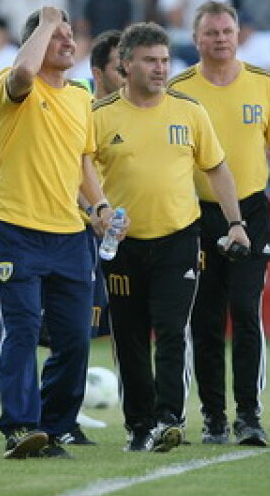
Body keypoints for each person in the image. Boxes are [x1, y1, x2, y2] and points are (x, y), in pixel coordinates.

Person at [0, 29, 125, 437]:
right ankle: (20, 425)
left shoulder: (80, 97)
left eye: (72, 36)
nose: (69, 42)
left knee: (74, 338)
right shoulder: (13, 84)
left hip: (70, 231)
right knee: (21, 328)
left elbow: (83, 163)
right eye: (58, 36)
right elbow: (22, 72)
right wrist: (47, 18)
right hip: (16, 226)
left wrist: (99, 206)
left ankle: (58, 425)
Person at [93, 23, 249, 453]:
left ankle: (168, 419)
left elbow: (216, 167)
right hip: (123, 245)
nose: (160, 69)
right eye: (150, 60)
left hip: (179, 239)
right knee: (128, 336)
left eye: (164, 60)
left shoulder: (189, 111)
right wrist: (95, 214)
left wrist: (236, 222)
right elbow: (78, 174)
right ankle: (137, 425)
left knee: (171, 329)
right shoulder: (101, 117)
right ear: (126, 65)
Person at [169, 1, 270, 448]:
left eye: (227, 30)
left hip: (250, 209)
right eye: (211, 32)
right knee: (205, 318)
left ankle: (249, 414)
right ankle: (213, 416)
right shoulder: (178, 90)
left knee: (246, 311)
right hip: (196, 214)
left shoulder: (263, 84)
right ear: (196, 40)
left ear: (238, 35)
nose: (221, 39)